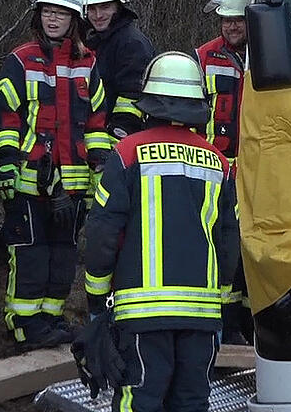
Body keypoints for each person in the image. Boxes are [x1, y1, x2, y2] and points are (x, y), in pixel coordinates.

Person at [84, 51, 240, 411]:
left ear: (148, 102)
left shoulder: (126, 154)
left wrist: (96, 296)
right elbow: (228, 238)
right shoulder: (218, 163)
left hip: (142, 314)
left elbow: (103, 232)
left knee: (139, 400)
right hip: (201, 315)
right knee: (191, 401)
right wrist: (221, 300)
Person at [0, 0, 112, 349]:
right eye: (47, 11)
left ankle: (50, 320)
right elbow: (5, 116)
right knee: (30, 255)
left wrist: (100, 167)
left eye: (61, 13)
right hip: (28, 181)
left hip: (73, 185)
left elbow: (96, 122)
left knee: (63, 258)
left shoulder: (88, 64)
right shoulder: (21, 60)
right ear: (38, 15)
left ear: (75, 19)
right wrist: (6, 162)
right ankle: (24, 326)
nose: (53, 18)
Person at [194, 0, 254, 343]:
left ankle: (249, 323)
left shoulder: (266, 56)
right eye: (226, 19)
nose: (231, 26)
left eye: (238, 19)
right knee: (220, 243)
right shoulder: (203, 58)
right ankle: (225, 326)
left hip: (257, 172)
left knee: (251, 247)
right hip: (214, 169)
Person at [84, 0, 156, 141]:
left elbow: (132, 97)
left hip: (116, 138)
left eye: (105, 7)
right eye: (92, 8)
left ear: (118, 6)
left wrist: (116, 137)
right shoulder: (91, 40)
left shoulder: (132, 44)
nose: (98, 15)